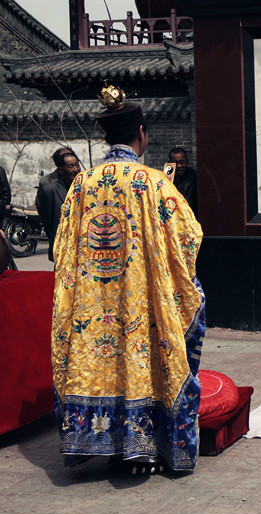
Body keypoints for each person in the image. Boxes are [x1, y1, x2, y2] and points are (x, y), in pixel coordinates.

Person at [51, 85, 205, 475]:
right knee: (146, 360)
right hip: (140, 301)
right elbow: (188, 238)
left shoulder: (80, 186)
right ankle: (146, 446)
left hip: (91, 303)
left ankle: (97, 442)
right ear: (141, 133)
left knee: (97, 362)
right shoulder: (153, 183)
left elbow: (62, 249)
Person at [35, 150, 81, 262]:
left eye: (77, 165)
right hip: (62, 247)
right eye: (70, 166)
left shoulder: (88, 187)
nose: (75, 170)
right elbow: (48, 222)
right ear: (60, 169)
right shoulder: (50, 190)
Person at [168, 147, 198, 215]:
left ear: (187, 161)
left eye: (182, 162)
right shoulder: (165, 179)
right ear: (169, 163)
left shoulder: (195, 177)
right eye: (175, 163)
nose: (179, 166)